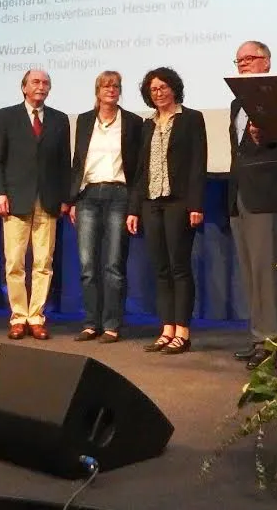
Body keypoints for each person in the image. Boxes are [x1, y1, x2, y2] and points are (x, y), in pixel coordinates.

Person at [126, 67, 207, 355]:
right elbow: (140, 170)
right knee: (160, 269)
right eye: (153, 90)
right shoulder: (147, 125)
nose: (158, 93)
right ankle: (166, 328)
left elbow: (198, 164)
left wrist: (196, 204)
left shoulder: (191, 119)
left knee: (179, 267)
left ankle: (183, 332)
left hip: (179, 202)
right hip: (151, 202)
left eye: (163, 87)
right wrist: (134, 208)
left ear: (174, 88)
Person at [0, 69, 71, 340]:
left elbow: (63, 164)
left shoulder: (59, 119)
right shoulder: (6, 116)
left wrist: (64, 198)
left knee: (43, 263)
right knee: (14, 262)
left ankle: (36, 317)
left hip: (47, 201)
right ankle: (18, 317)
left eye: (46, 82)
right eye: (36, 82)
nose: (41, 86)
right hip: (15, 200)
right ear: (24, 87)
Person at [67, 71, 143, 344]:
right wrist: (73, 199)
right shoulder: (85, 120)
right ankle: (90, 323)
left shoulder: (133, 122)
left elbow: (138, 169)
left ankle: (112, 324)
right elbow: (78, 162)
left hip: (119, 195)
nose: (111, 89)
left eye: (116, 86)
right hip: (88, 196)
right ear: (97, 90)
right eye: (106, 85)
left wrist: (135, 205)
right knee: (88, 264)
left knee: (113, 264)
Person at [228, 41, 277, 369]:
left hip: (265, 195)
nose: (243, 64)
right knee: (250, 273)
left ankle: (273, 342)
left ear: (266, 62)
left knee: (266, 273)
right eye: (239, 61)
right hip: (239, 195)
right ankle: (257, 338)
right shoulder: (237, 103)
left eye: (250, 59)